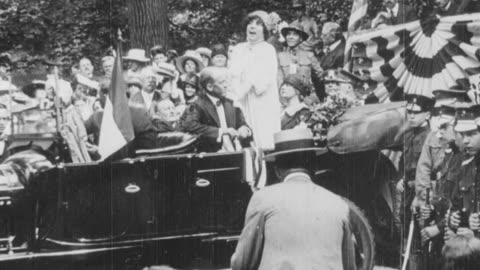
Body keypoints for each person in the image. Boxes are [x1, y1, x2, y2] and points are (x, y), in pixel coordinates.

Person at [231, 128, 357, 270]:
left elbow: (242, 263)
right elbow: (350, 265)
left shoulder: (263, 199)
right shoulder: (339, 204)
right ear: (314, 167)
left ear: (277, 170)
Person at [229, 10, 281, 150]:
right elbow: (232, 75)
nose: (252, 27)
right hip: (239, 100)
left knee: (262, 137)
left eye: (258, 24)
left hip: (261, 101)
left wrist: (237, 96)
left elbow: (261, 80)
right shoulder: (239, 49)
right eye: (250, 23)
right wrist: (232, 98)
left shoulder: (267, 50)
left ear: (264, 30)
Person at [443, 104, 480, 269]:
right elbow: (457, 203)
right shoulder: (466, 164)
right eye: (463, 135)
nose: (465, 141)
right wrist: (453, 220)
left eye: (472, 134)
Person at [181, 67, 252, 152]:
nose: (226, 86)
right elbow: (190, 126)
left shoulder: (231, 103)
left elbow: (244, 125)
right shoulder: (197, 105)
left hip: (235, 153)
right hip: (212, 158)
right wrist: (221, 132)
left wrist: (245, 130)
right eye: (222, 82)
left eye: (227, 82)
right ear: (210, 87)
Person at [277, 22, 323, 102]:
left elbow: (320, 77)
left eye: (295, 34)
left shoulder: (309, 56)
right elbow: (279, 80)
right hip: (287, 98)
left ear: (301, 38)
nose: (290, 37)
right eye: (288, 34)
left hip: (307, 98)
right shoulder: (280, 57)